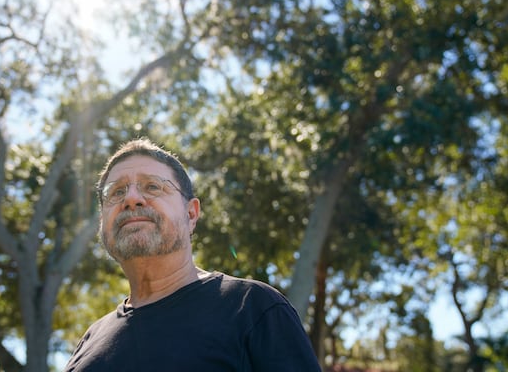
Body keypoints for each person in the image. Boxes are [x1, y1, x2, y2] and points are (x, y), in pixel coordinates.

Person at [64, 138, 321, 372]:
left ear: (191, 214)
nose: (131, 198)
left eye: (152, 186)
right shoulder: (88, 342)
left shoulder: (253, 308)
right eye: (116, 192)